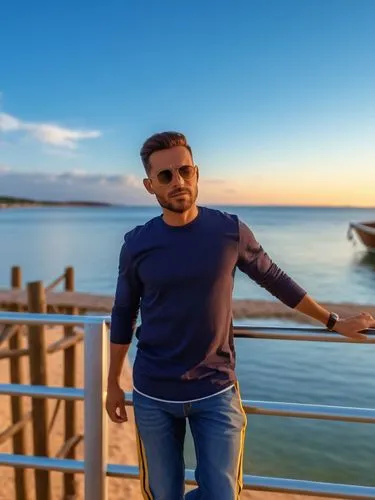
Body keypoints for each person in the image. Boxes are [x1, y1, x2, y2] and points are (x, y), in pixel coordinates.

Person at [106, 131, 375, 500]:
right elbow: (123, 313)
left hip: (215, 390)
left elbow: (276, 279)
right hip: (153, 393)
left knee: (223, 494)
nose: (178, 182)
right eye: (166, 176)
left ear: (197, 173)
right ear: (150, 185)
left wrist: (333, 321)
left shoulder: (228, 231)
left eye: (184, 171)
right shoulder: (136, 243)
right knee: (161, 494)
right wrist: (111, 384)